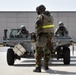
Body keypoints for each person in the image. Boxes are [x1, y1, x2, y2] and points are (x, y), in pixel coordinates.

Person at [33, 5, 54, 72]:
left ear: (40, 10)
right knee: (47, 51)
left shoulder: (41, 16)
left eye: (37, 10)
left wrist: (36, 35)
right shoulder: (50, 16)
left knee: (38, 52)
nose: (37, 11)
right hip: (49, 36)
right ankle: (46, 66)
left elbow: (38, 27)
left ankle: (38, 67)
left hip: (42, 36)